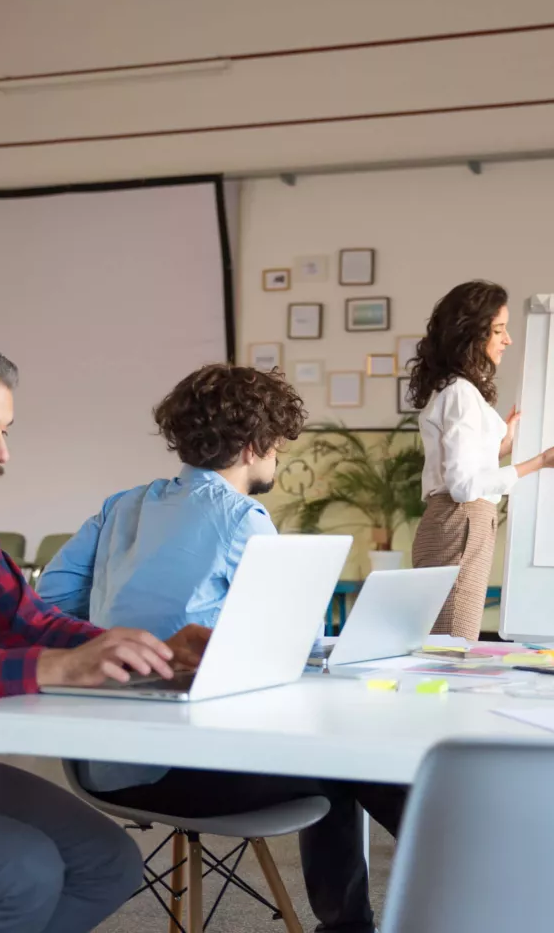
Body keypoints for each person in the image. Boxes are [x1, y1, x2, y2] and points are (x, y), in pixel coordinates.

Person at [39, 362, 404, 933]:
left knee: (344, 760)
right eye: (278, 447)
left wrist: (131, 641)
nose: (276, 460)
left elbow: (52, 602)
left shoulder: (121, 506)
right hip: (192, 764)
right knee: (360, 757)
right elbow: (299, 645)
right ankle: (373, 920)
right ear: (256, 445)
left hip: (101, 761)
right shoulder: (242, 517)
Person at [0, 334, 210, 933]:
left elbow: (27, 622)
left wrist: (139, 651)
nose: (1, 452)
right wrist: (51, 667)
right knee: (22, 872)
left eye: (6, 430)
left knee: (109, 863)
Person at [407, 280, 554, 641]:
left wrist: (500, 445)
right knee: (452, 647)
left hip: (461, 521)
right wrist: (539, 462)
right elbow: (464, 486)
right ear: (471, 335)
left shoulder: (460, 390)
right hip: (461, 520)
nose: (508, 340)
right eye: (499, 330)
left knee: (450, 643)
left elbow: (461, 467)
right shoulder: (460, 394)